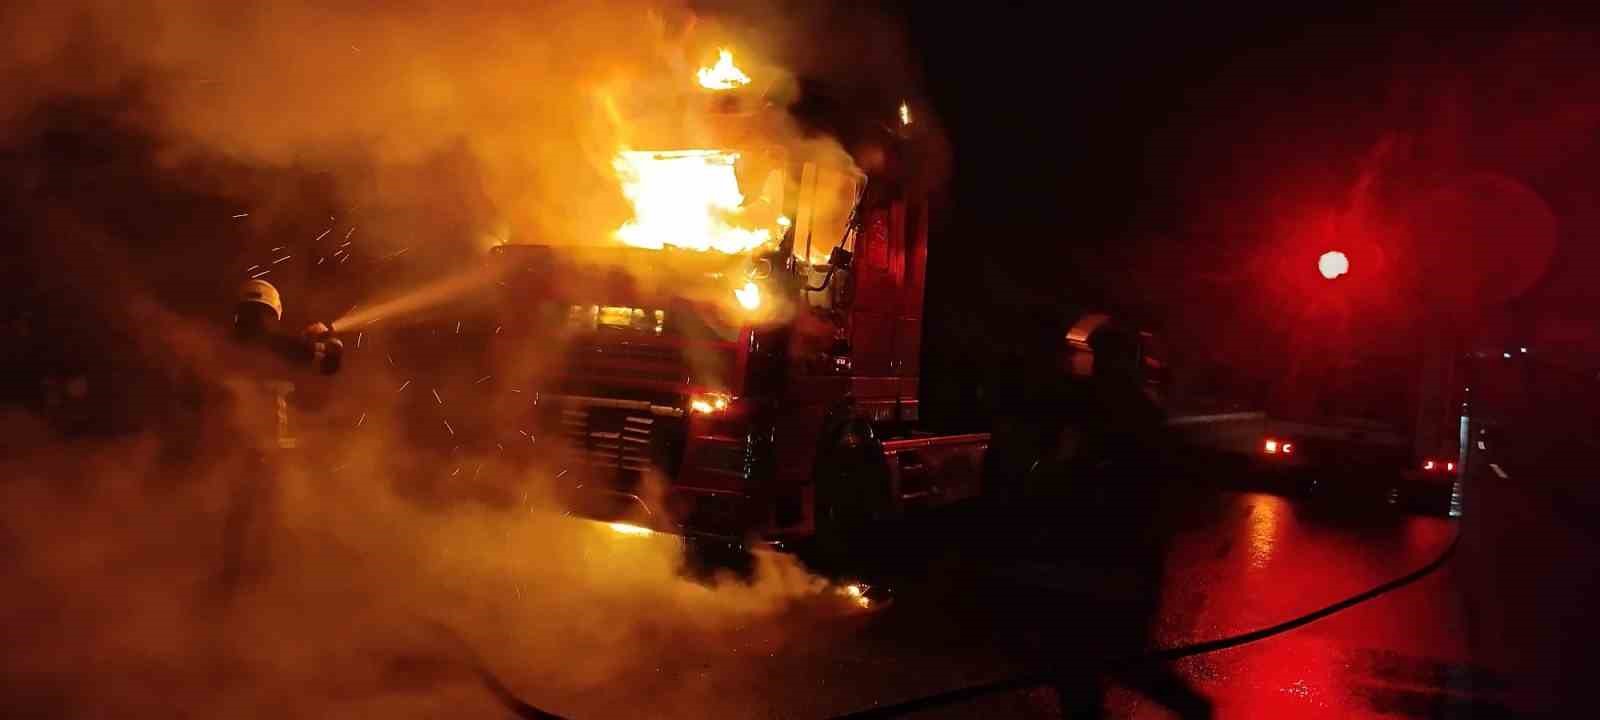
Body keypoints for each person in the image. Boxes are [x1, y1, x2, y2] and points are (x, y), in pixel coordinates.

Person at [216, 278, 341, 602]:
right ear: (274, 309)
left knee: (235, 523)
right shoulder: (283, 346)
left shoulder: (223, 344)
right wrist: (327, 338)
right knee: (263, 523)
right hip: (264, 451)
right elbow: (330, 362)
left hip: (224, 447)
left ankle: (227, 590)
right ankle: (253, 593)